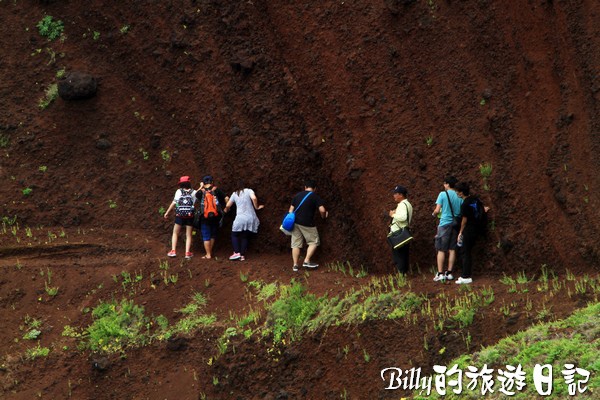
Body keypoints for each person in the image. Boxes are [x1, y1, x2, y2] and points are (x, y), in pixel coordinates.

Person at [288, 179, 328, 272]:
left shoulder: (297, 196)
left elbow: (290, 210)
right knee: (313, 242)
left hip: (295, 223)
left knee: (296, 244)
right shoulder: (315, 196)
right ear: (314, 189)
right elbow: (322, 210)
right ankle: (306, 261)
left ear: (305, 187)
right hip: (307, 223)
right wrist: (324, 216)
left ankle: (295, 265)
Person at [455, 182, 489, 284]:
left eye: (457, 192)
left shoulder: (465, 204)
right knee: (466, 252)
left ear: (461, 193)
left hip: (469, 230)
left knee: (465, 252)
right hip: (477, 228)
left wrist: (460, 232)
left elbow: (464, 221)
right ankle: (465, 275)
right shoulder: (475, 199)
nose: (456, 193)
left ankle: (466, 276)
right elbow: (482, 209)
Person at [431, 175, 463, 282]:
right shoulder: (459, 195)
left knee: (441, 249)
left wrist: (434, 214)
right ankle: (449, 273)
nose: (443, 185)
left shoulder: (442, 194)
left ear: (448, 184)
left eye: (444, 183)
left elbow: (437, 209)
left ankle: (440, 273)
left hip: (444, 223)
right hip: (455, 224)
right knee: (452, 249)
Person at [223, 182, 264, 261]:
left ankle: (236, 252)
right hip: (251, 218)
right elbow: (254, 198)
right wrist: (257, 207)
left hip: (240, 218)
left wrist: (226, 210)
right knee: (244, 236)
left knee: (234, 234)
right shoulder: (249, 191)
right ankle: (242, 255)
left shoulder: (235, 194)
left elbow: (228, 205)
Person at [163, 176, 197, 259]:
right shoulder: (194, 192)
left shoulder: (179, 191)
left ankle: (173, 251)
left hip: (180, 215)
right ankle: (187, 253)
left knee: (175, 233)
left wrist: (167, 212)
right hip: (189, 216)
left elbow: (174, 202)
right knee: (188, 235)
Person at [196, 175, 229, 259]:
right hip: (215, 216)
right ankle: (210, 252)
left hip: (205, 216)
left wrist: (200, 187)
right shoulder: (216, 190)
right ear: (212, 182)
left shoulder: (201, 192)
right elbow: (226, 198)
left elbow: (195, 195)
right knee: (212, 235)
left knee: (206, 235)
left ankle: (208, 254)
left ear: (203, 183)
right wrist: (226, 209)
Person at [388, 185, 414, 274]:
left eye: (395, 194)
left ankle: (401, 274)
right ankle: (404, 273)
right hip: (404, 232)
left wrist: (393, 215)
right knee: (404, 254)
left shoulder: (402, 205)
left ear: (401, 195)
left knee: (399, 255)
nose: (394, 196)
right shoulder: (408, 204)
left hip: (399, 233)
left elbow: (403, 217)